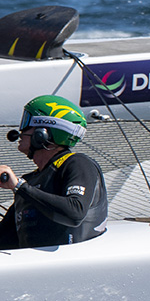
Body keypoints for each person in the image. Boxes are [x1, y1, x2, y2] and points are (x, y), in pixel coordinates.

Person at [0, 94, 107, 248]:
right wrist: (21, 187)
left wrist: (18, 186)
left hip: (72, 262)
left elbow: (74, 213)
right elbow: (4, 236)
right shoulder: (30, 181)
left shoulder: (77, 163)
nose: (20, 131)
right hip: (33, 262)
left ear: (43, 133)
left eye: (26, 123)